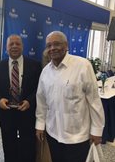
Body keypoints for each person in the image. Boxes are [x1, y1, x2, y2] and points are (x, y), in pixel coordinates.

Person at [35, 31, 105, 162]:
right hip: (53, 133)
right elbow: (42, 101)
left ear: (66, 46)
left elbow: (94, 100)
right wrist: (40, 125)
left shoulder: (83, 66)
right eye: (49, 45)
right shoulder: (45, 72)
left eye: (56, 44)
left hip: (77, 136)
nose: (52, 48)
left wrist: (97, 131)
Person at [0, 34, 42, 162]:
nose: (14, 46)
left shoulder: (35, 65)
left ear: (22, 47)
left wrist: (30, 101)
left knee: (28, 146)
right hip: (6, 113)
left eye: (17, 44)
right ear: (6, 48)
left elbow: (39, 88)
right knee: (9, 145)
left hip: (27, 112)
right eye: (11, 44)